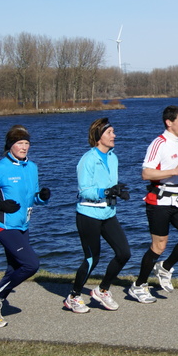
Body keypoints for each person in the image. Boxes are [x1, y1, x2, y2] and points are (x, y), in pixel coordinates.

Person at [128, 105, 178, 303]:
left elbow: (173, 170)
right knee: (158, 246)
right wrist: (175, 172)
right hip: (159, 202)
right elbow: (146, 174)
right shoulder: (158, 143)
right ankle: (138, 285)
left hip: (177, 200)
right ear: (169, 122)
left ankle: (165, 267)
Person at [0, 125, 50, 327]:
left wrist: (42, 197)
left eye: (26, 143)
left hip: (22, 225)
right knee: (30, 264)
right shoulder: (1, 168)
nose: (24, 146)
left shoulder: (32, 167)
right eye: (19, 142)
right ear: (10, 145)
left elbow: (32, 197)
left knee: (15, 267)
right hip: (2, 225)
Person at [64, 118, 132, 313]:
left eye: (113, 131)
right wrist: (107, 192)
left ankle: (102, 290)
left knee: (124, 253)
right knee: (92, 258)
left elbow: (110, 185)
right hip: (88, 215)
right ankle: (73, 297)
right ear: (98, 136)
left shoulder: (113, 157)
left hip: (108, 213)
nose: (114, 135)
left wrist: (118, 192)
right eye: (110, 132)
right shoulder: (87, 159)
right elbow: (85, 190)